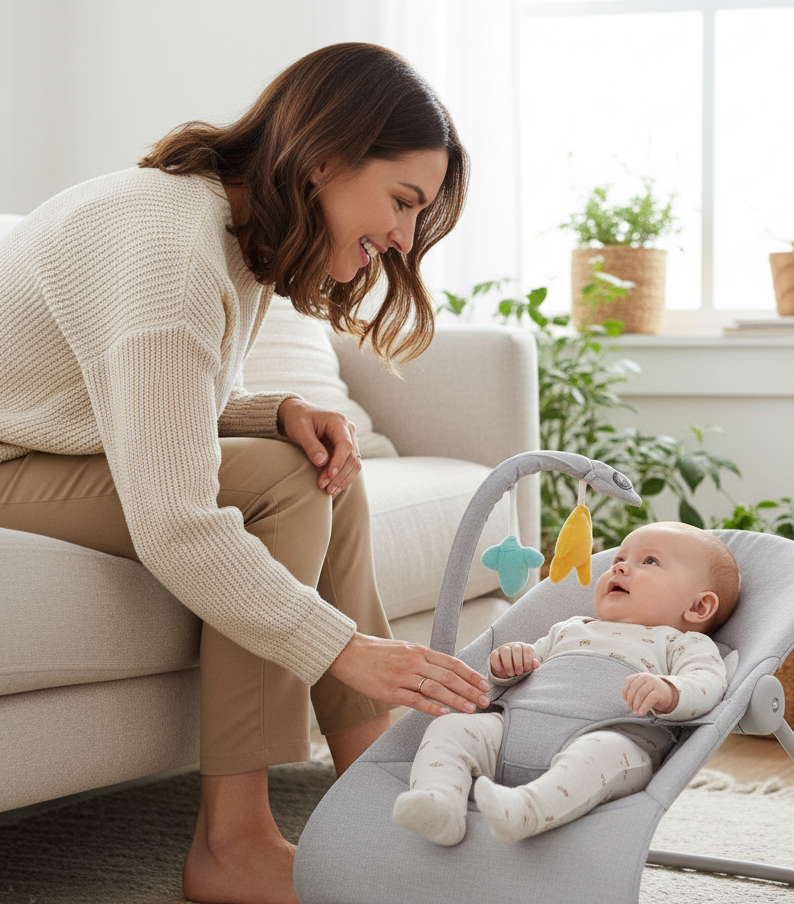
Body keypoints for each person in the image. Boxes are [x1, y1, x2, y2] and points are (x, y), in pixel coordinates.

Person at [0, 43, 492, 904]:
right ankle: (235, 844)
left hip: (41, 438)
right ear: (326, 158)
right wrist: (348, 650)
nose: (406, 238)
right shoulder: (168, 246)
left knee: (311, 460)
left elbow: (122, 391)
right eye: (402, 201)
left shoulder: (223, 227)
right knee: (285, 485)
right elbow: (176, 523)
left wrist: (272, 412)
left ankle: (374, 790)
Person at [392, 521, 740, 846]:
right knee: (453, 727)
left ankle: (526, 810)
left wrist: (669, 691)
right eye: (619, 558)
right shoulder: (571, 627)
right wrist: (509, 663)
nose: (619, 567)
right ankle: (440, 804)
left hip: (608, 737)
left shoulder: (682, 643)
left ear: (698, 607)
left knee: (601, 755)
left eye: (649, 561)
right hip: (514, 730)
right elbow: (517, 671)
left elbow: (708, 683)